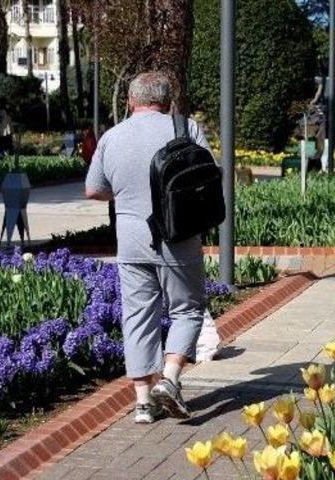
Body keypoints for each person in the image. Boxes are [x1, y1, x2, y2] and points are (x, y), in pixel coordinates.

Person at [84, 72, 209, 424]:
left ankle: (142, 404)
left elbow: (93, 190)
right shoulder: (186, 129)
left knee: (138, 315)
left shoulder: (112, 137)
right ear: (168, 101)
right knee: (187, 309)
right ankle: (169, 380)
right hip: (178, 236)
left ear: (130, 100)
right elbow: (208, 174)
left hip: (132, 240)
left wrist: (124, 193)